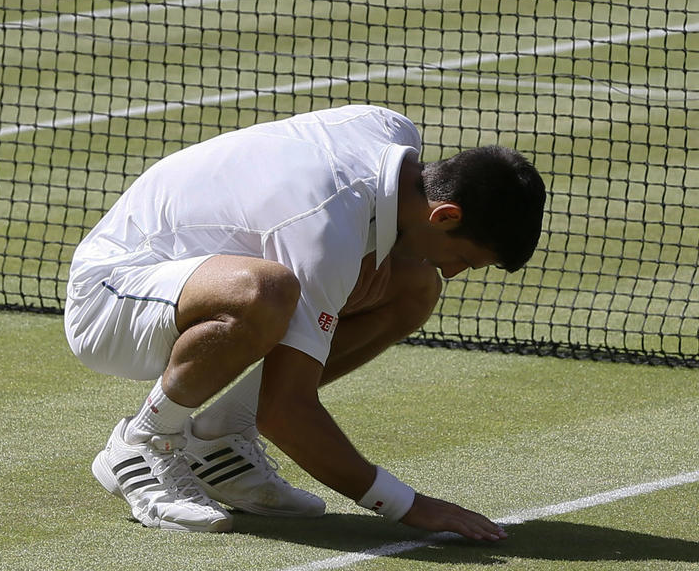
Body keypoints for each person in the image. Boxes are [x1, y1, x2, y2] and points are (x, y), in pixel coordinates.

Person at [64, 104, 546, 540]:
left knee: (413, 286)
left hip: (192, 273)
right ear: (444, 216)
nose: (453, 272)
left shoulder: (391, 132)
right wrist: (407, 504)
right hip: (111, 299)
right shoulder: (326, 232)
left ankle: (219, 442)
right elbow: (285, 410)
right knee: (265, 292)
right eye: (464, 259)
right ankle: (145, 439)